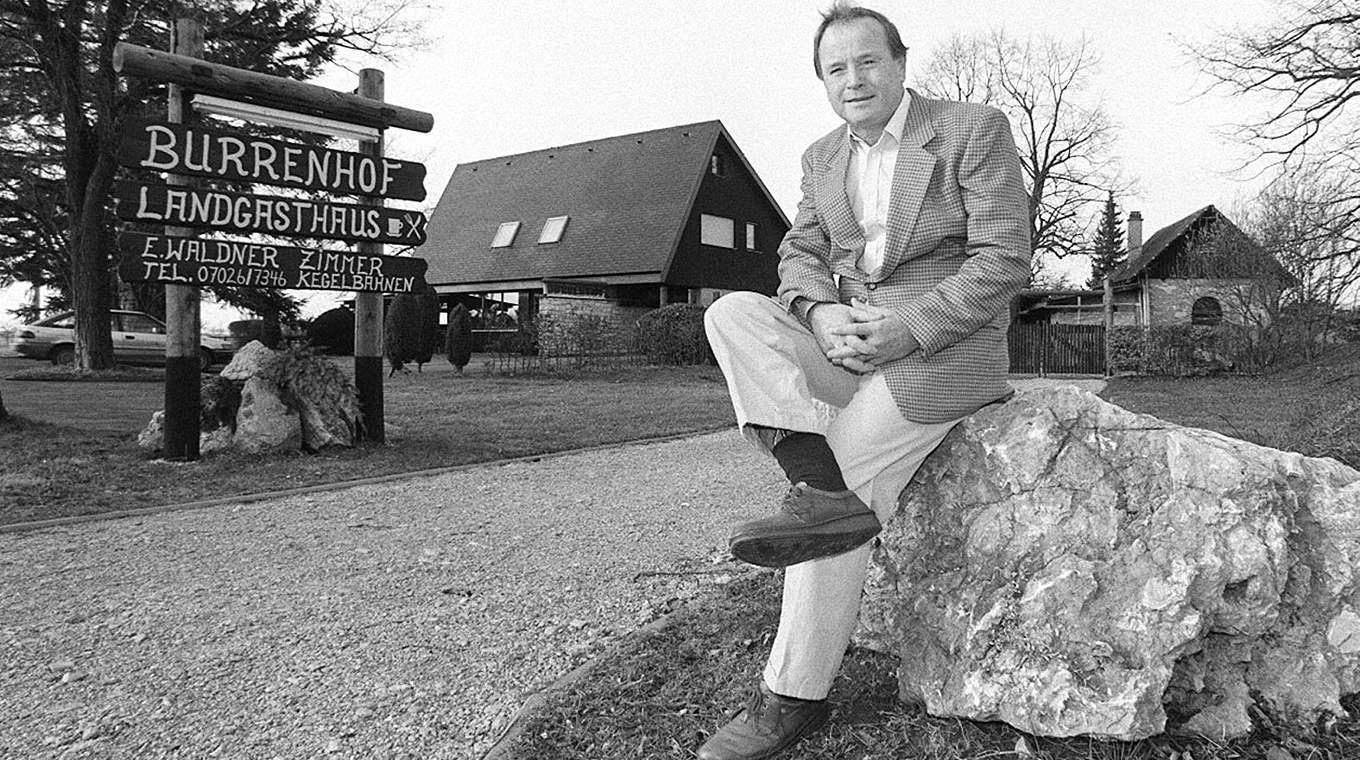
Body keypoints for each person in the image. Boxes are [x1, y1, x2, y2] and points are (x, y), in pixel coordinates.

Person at [698, 3, 1031, 759]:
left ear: (901, 64)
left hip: (941, 352)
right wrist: (817, 314)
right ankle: (815, 488)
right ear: (822, 82)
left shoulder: (972, 131)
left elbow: (1005, 257)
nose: (854, 80)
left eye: (867, 62)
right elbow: (799, 255)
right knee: (734, 315)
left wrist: (906, 325)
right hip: (846, 344)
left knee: (850, 477)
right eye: (835, 69)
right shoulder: (822, 157)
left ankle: (792, 698)